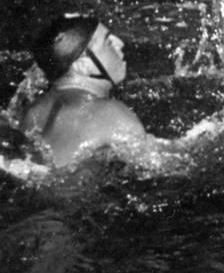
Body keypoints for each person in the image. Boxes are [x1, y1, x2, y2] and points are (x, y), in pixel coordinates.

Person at [20, 16, 150, 168]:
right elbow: (153, 165)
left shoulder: (33, 112)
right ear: (83, 65)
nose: (120, 43)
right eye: (108, 42)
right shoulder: (112, 114)